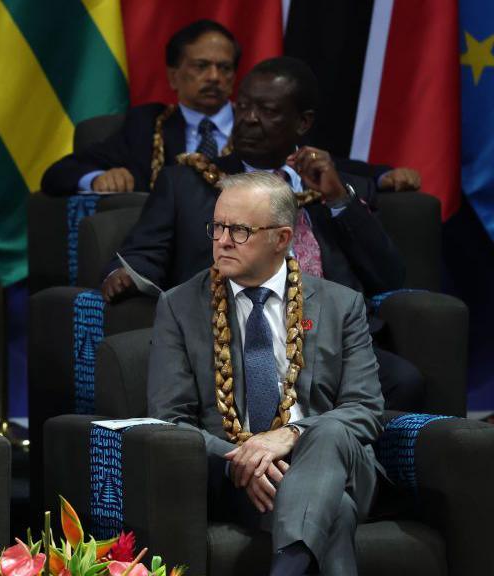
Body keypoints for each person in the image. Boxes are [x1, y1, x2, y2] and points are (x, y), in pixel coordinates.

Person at [104, 56, 423, 412]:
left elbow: (388, 275)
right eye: (243, 107)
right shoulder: (190, 182)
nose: (249, 119)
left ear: (303, 122)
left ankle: (334, 452)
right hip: (235, 335)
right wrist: (123, 273)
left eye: (267, 110)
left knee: (404, 381)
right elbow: (145, 252)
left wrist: (337, 200)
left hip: (329, 339)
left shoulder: (332, 185)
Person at [148, 171, 384, 575]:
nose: (222, 240)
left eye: (239, 230)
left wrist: (290, 435)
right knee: (335, 510)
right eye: (218, 226)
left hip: (338, 462)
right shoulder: (180, 306)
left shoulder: (341, 305)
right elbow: (170, 420)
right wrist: (245, 460)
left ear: (282, 238)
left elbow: (365, 408)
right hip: (239, 478)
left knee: (326, 431)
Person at [40, 20, 419, 196]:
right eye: (201, 66)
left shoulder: (263, 123)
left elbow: (321, 164)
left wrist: (382, 177)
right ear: (174, 76)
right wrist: (96, 180)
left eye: (224, 68)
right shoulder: (146, 124)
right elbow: (58, 173)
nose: (214, 77)